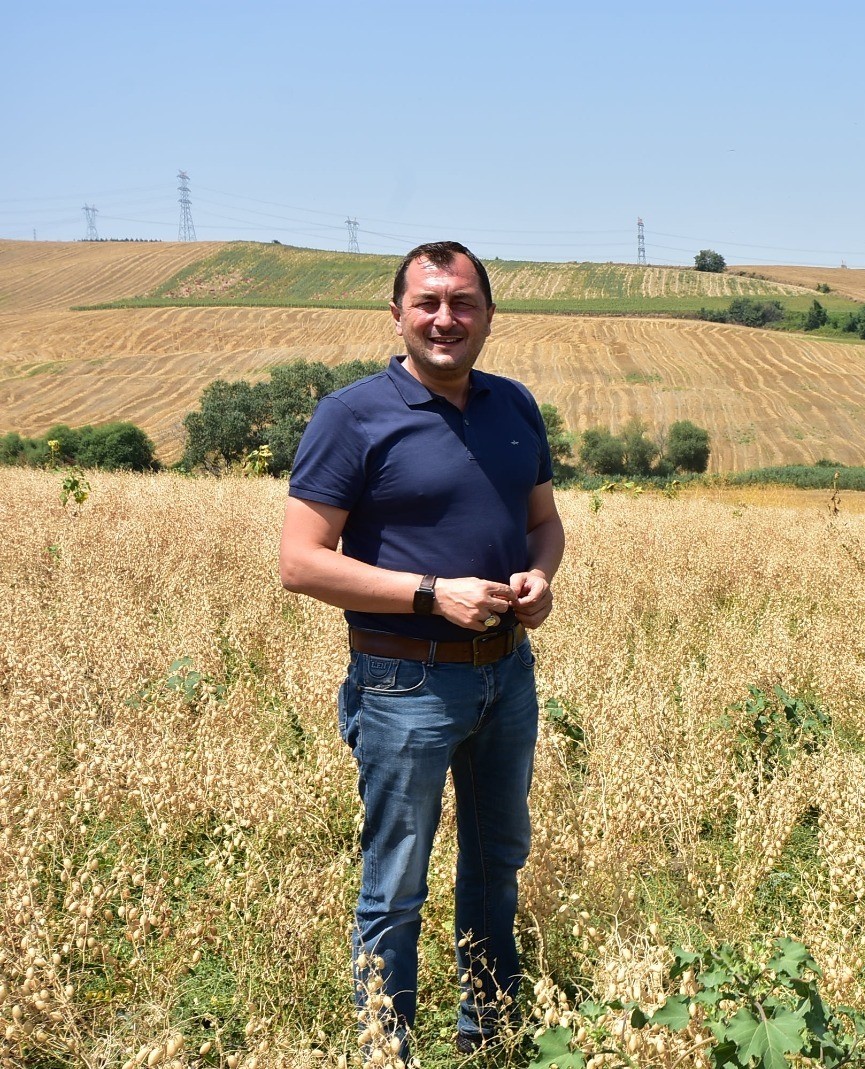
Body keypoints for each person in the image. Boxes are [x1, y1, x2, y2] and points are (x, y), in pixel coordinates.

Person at [279, 240, 564, 1058]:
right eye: (428, 302)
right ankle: (387, 1049)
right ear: (397, 314)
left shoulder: (515, 406)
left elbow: (545, 522)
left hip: (506, 674)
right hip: (403, 681)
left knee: (497, 862)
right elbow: (300, 562)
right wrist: (432, 593)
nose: (446, 318)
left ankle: (488, 1033)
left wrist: (540, 577)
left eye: (463, 302)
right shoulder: (352, 416)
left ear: (489, 315)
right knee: (396, 884)